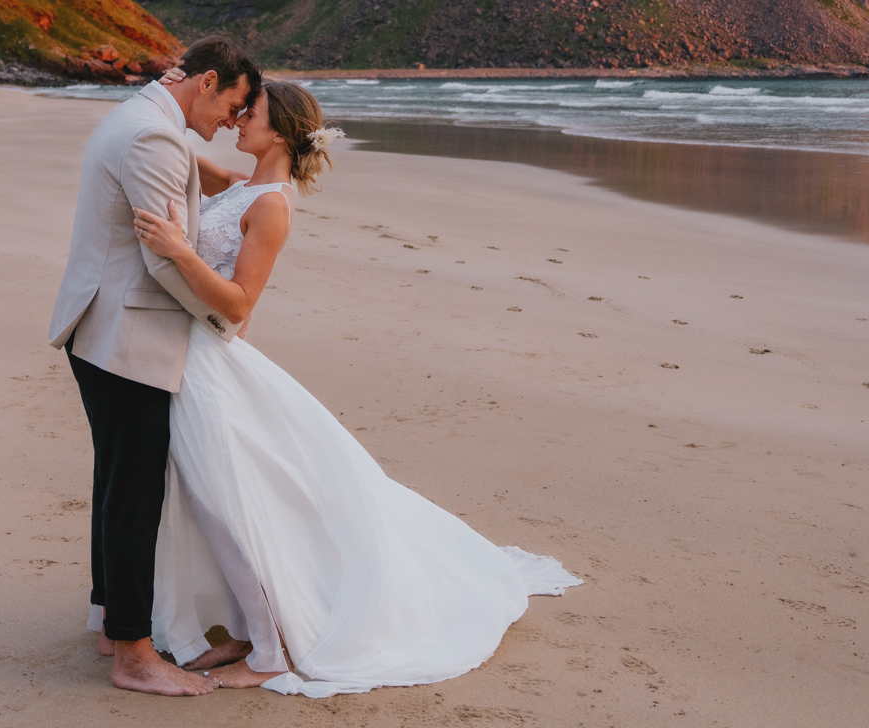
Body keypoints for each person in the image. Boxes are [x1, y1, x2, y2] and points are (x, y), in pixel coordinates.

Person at [132, 79, 578, 698]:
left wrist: (180, 252)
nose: (236, 119)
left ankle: (272, 651)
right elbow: (177, 162)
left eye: (250, 113)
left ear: (282, 131)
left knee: (226, 500)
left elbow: (239, 305)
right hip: (188, 354)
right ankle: (243, 624)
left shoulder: (272, 206)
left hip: (210, 358)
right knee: (214, 495)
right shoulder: (243, 187)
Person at [46, 36, 260, 696]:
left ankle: (115, 619)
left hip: (101, 325)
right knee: (135, 491)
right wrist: (227, 319)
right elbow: (164, 261)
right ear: (206, 82)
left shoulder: (144, 117)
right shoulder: (154, 139)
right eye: (234, 104)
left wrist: (209, 177)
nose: (232, 121)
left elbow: (170, 169)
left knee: (117, 480)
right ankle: (135, 656)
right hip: (127, 333)